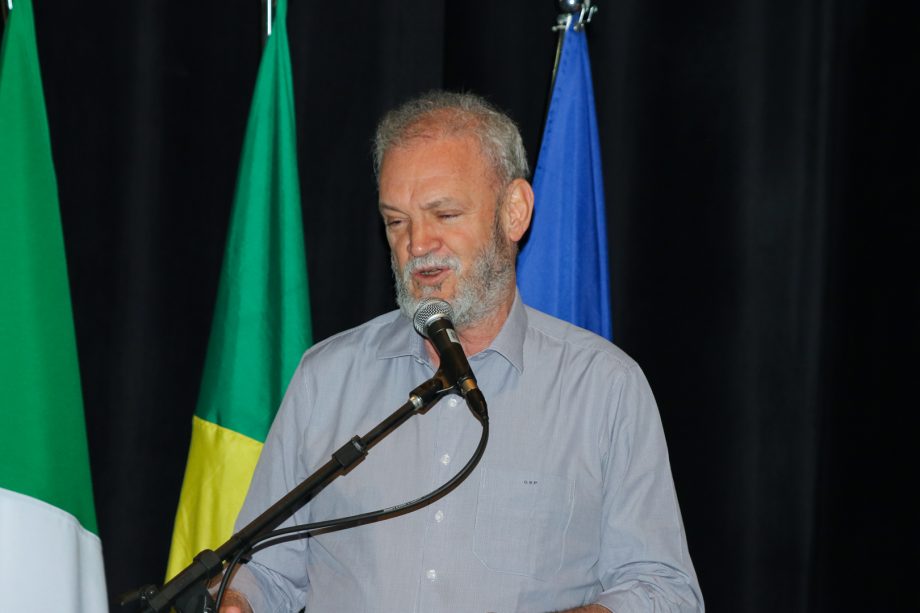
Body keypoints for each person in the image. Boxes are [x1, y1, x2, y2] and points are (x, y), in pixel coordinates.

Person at [219, 91, 704, 612]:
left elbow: (665, 591)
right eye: (396, 221)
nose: (417, 244)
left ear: (514, 212)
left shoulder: (604, 387)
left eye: (444, 214)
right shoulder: (326, 377)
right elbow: (266, 571)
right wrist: (238, 601)